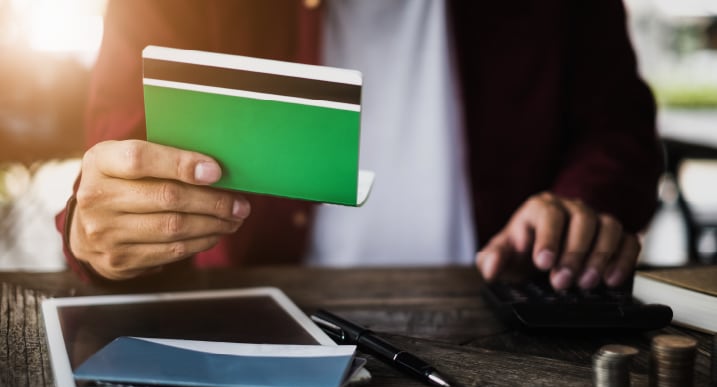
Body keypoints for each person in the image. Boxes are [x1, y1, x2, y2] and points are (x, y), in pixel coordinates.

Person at [56, 0, 663, 291]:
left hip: (508, 330)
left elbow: (620, 133)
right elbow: (117, 168)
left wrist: (574, 207)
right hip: (250, 336)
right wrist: (96, 234)